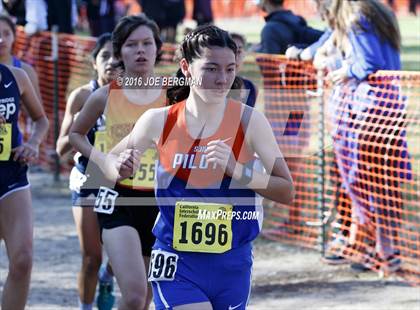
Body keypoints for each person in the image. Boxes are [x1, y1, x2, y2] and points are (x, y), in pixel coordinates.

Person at [101, 25, 294, 309]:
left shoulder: (250, 122)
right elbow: (105, 164)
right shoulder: (158, 120)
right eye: (212, 69)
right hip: (176, 260)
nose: (222, 79)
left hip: (233, 262)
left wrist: (238, 170)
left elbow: (286, 190)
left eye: (230, 69)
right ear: (186, 67)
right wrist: (120, 166)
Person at [70, 14, 166, 310]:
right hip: (116, 199)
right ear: (120, 51)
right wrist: (104, 161)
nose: (140, 51)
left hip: (160, 203)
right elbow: (76, 134)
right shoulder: (103, 96)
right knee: (136, 297)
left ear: (157, 49)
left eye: (147, 44)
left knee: (145, 299)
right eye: (132, 45)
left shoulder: (174, 95)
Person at [327, 0, 412, 274]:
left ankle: (378, 250)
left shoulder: (356, 19)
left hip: (369, 110)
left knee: (365, 182)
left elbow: (369, 63)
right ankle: (387, 250)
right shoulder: (380, 13)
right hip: (391, 105)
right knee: (385, 182)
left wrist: (345, 71)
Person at [56, 33, 116, 310]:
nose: (112, 61)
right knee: (92, 256)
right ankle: (86, 306)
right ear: (94, 63)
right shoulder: (81, 95)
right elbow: (61, 148)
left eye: (117, 55)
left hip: (123, 182)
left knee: (123, 255)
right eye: (104, 56)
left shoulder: (136, 95)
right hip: (88, 179)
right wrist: (83, 121)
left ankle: (109, 276)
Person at [0, 63, 49, 309]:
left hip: (11, 174)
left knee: (22, 261)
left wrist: (33, 144)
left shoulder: (16, 77)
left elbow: (41, 120)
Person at [254, 0, 322, 54]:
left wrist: (257, 52)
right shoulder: (297, 20)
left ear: (265, 1)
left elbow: (269, 63)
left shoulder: (269, 29)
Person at [230, 32, 258, 108]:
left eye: (239, 51)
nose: (235, 57)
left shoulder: (251, 87)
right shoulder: (215, 87)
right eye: (231, 51)